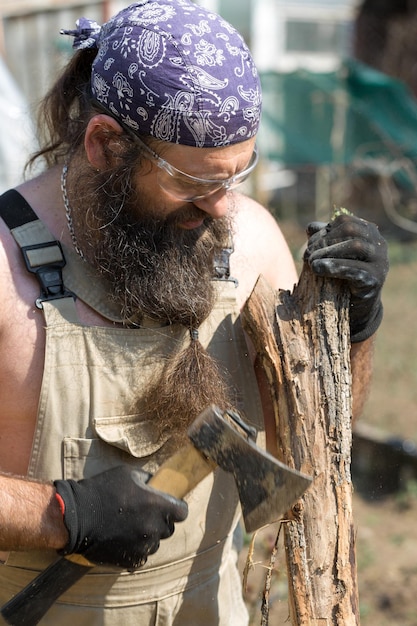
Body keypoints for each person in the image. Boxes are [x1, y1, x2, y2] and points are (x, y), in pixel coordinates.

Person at [0, 1, 388, 624]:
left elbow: (313, 440)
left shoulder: (251, 243)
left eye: (237, 175)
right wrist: (59, 513)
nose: (223, 209)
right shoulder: (5, 268)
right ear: (105, 143)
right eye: (192, 182)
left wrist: (358, 330)